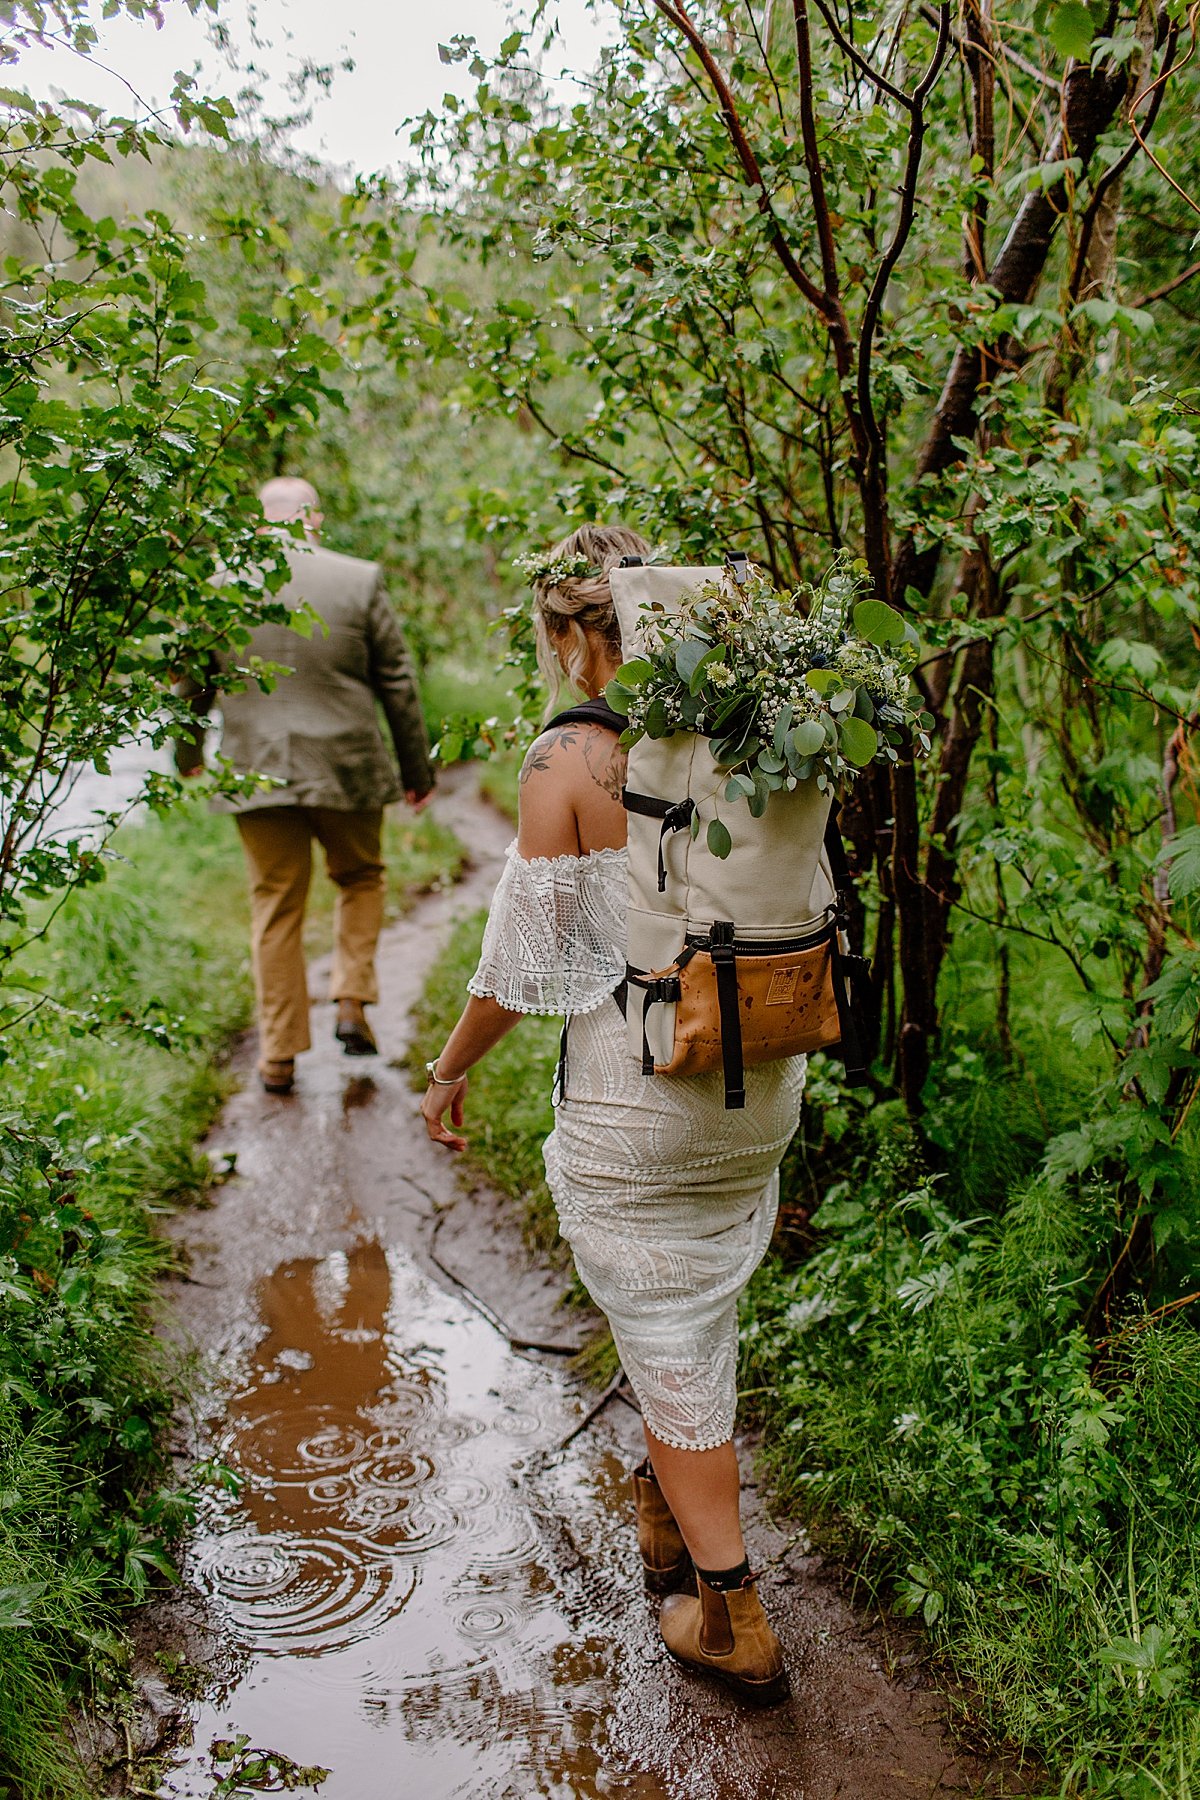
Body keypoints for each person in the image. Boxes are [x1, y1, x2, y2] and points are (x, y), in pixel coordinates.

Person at [420, 523, 803, 1706]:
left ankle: (736, 1619)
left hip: (638, 1107)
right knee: (687, 1319)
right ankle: (663, 1518)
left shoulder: (570, 763)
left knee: (672, 1331)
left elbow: (524, 970)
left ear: (572, 639)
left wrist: (446, 1071)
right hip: (757, 1087)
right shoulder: (743, 732)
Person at [177, 476, 435, 1095]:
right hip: (347, 767)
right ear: (312, 518)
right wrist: (415, 773)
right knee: (361, 877)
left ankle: (279, 1056)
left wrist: (186, 754)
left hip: (253, 769)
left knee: (275, 907)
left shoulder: (214, 585)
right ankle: (351, 999)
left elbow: (189, 681)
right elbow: (396, 682)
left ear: (260, 523)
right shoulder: (358, 579)